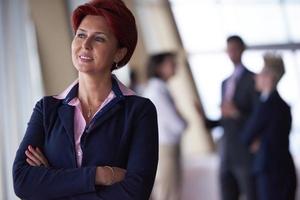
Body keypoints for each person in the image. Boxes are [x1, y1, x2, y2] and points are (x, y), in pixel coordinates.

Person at [12, 0, 158, 199]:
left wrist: (53, 180)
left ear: (119, 52)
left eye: (99, 39)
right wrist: (100, 175)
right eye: (81, 35)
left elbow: (135, 192)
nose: (85, 45)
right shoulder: (47, 109)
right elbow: (22, 182)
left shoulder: (139, 111)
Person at [202, 35, 259, 200]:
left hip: (244, 151)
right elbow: (225, 120)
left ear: (242, 50)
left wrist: (236, 113)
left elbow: (257, 118)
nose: (231, 53)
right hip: (226, 152)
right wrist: (205, 120)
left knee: (250, 194)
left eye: (235, 49)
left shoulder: (253, 80)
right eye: (229, 49)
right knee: (227, 194)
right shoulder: (224, 83)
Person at [242, 53, 297, 200]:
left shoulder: (267, 105)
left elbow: (247, 136)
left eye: (259, 74)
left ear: (269, 78)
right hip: (281, 169)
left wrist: (259, 141)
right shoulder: (282, 106)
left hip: (271, 171)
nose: (255, 77)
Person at [143, 52, 187, 200]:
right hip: (165, 148)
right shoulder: (157, 92)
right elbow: (178, 125)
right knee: (168, 193)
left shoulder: (159, 89)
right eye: (170, 62)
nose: (175, 65)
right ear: (159, 68)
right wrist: (185, 121)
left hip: (166, 146)